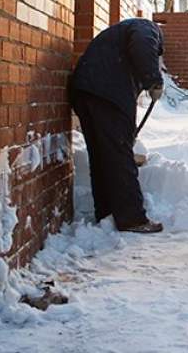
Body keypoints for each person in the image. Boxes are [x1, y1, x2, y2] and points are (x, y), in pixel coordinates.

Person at [70, 18, 165, 233]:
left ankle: (105, 213)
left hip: (85, 91)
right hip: (108, 94)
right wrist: (154, 80)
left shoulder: (120, 35)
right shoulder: (147, 28)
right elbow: (143, 43)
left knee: (101, 156)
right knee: (120, 155)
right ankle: (132, 218)